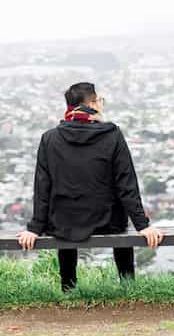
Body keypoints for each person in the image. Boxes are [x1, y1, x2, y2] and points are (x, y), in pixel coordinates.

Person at [16, 81, 164, 292]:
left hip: (65, 222)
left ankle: (68, 290)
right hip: (108, 221)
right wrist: (143, 225)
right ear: (93, 104)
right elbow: (126, 184)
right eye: (100, 100)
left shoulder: (50, 139)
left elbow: (43, 187)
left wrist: (35, 228)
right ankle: (128, 287)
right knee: (119, 223)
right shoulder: (112, 135)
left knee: (64, 221)